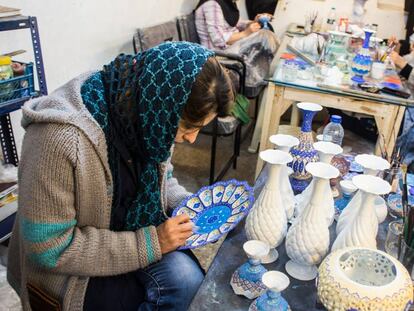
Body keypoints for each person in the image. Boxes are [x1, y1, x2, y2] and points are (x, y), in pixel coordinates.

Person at [7, 42, 235, 311]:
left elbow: (163, 176)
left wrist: (190, 206)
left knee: (189, 281)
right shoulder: (57, 140)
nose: (191, 139)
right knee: (173, 290)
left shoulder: (148, 111)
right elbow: (50, 248)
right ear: (161, 106)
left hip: (129, 234)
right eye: (188, 127)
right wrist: (153, 242)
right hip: (70, 274)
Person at [195, 0, 280, 92]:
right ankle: (255, 82)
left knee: (266, 35)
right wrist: (246, 33)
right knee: (265, 36)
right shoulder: (212, 4)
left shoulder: (225, 3)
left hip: (229, 47)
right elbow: (218, 40)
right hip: (219, 53)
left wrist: (253, 22)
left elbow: (235, 23)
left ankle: (262, 78)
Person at [388, 36, 414, 170]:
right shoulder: (411, 55)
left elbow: (406, 68)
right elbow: (399, 70)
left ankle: (397, 167)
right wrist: (395, 51)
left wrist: (402, 64)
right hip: (403, 100)